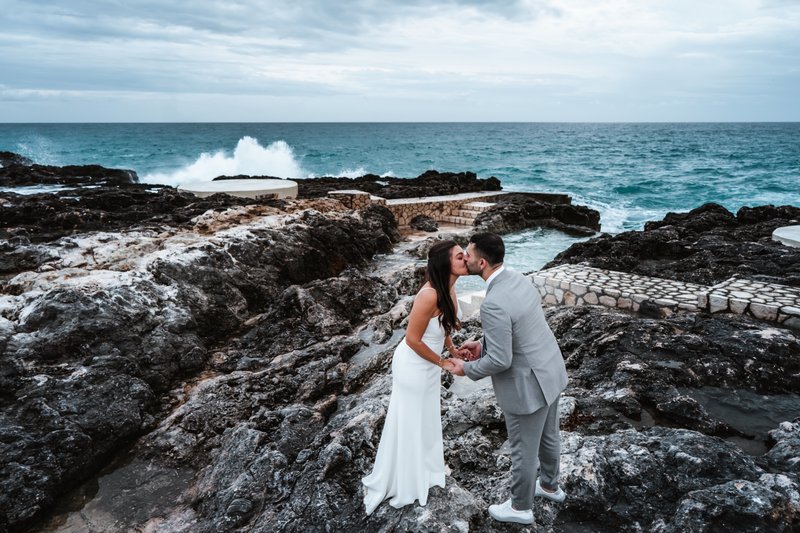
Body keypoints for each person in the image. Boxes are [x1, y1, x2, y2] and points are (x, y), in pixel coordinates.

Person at [449, 232, 569, 526]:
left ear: (483, 262)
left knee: (523, 450)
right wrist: (483, 343)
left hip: (527, 386)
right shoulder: (517, 278)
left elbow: (501, 360)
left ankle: (520, 508)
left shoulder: (493, 303)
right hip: (550, 370)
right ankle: (550, 487)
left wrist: (466, 369)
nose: (465, 257)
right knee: (549, 435)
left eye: (468, 252)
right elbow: (518, 329)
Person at [362, 239, 467, 515]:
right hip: (413, 365)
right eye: (459, 256)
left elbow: (442, 327)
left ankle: (426, 467)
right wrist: (443, 362)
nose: (465, 258)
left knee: (426, 416)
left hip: (429, 365)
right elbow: (411, 339)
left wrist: (453, 348)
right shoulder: (428, 294)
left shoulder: (450, 288)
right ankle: (406, 479)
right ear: (446, 263)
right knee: (410, 419)